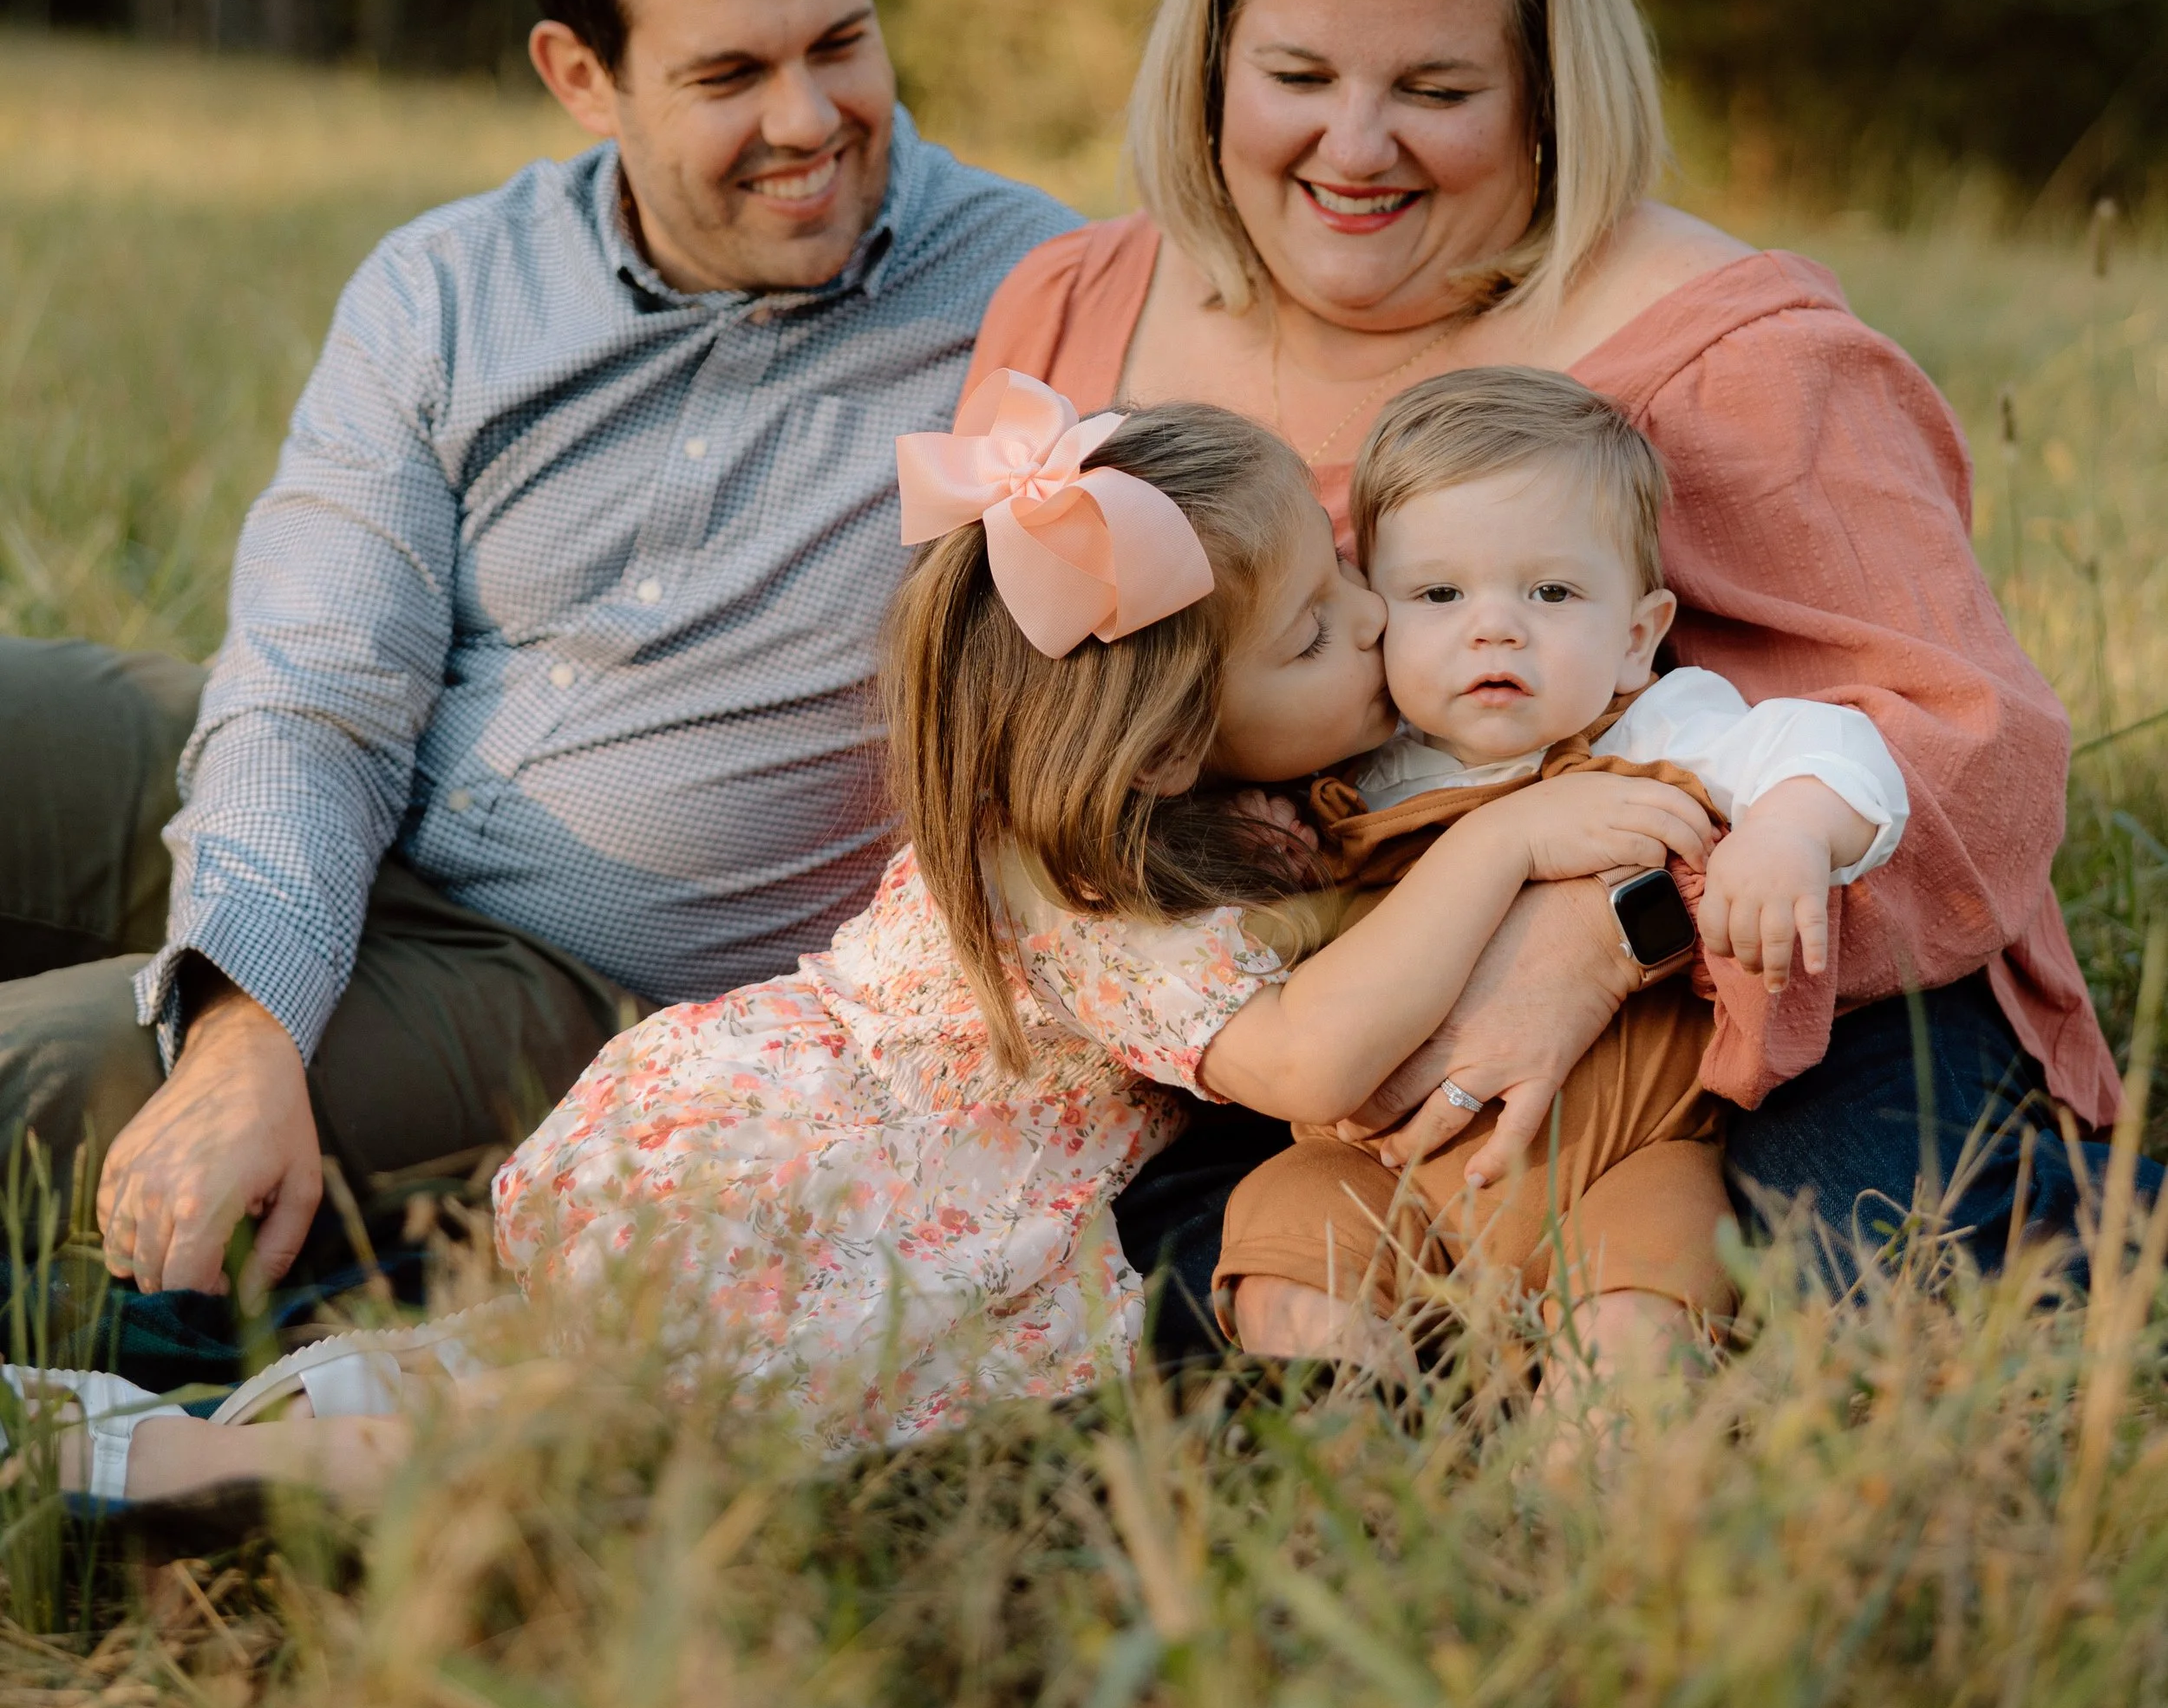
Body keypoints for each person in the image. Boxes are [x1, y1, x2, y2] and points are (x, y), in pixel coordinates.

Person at [5, 375, 1754, 1506]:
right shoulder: (1083, 878)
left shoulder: (1180, 798)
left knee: (548, 1381)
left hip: (762, 1139)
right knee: (604, 1453)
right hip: (836, 1196)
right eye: (1322, 626)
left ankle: (246, 1405)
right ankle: (157, 1468)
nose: (1378, 629)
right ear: (1160, 734)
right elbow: (1303, 1057)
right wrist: (1512, 839)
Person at [968, 0, 2128, 1347]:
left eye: (1436, 91)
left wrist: (1602, 932)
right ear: (1211, 60)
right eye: (1297, 70)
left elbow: (1979, 768)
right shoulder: (1080, 310)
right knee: (1136, 1293)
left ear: (1545, 96)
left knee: (1839, 1295)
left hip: (1758, 1003)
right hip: (1291, 1023)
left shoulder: (1733, 358)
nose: (1352, 147)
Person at [0, 0, 1072, 1316]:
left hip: (580, 976)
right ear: (581, 75)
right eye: (729, 77)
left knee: (36, 1081)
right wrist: (247, 1023)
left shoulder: (1041, 300)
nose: (812, 119)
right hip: (367, 812)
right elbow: (315, 690)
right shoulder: (448, 289)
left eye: (843, 43)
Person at [1211, 368, 1910, 1360]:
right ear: (1373, 617)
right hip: (1380, 1168)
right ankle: (1349, 1438)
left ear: (1635, 637)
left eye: (1550, 591)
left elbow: (1833, 747)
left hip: (1627, 1164)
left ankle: (1591, 1463)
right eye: (1438, 592)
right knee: (1288, 1248)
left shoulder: (1661, 723)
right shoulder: (1348, 774)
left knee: (1648, 1297)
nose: (1494, 625)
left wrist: (1790, 831)